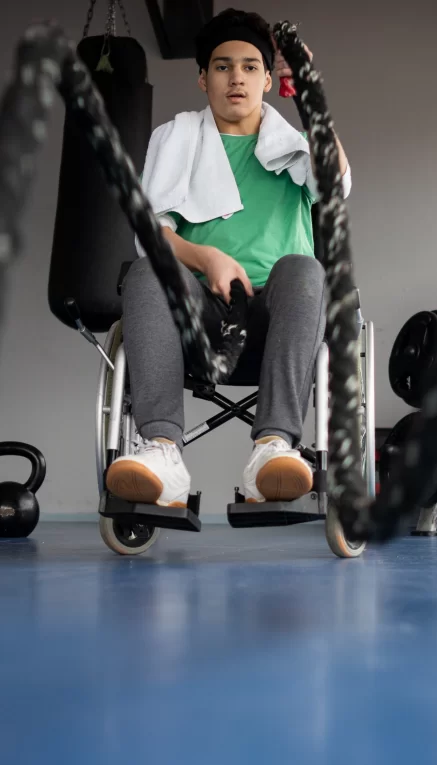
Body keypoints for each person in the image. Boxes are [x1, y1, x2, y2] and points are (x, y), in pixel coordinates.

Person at [105, 7, 351, 508]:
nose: (235, 77)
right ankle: (161, 451)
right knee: (148, 270)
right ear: (202, 78)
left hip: (276, 326)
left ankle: (273, 448)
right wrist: (205, 257)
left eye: (249, 66)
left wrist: (310, 95)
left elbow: (339, 182)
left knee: (304, 267)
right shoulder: (175, 138)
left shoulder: (298, 148)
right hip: (199, 323)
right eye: (221, 66)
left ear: (266, 78)